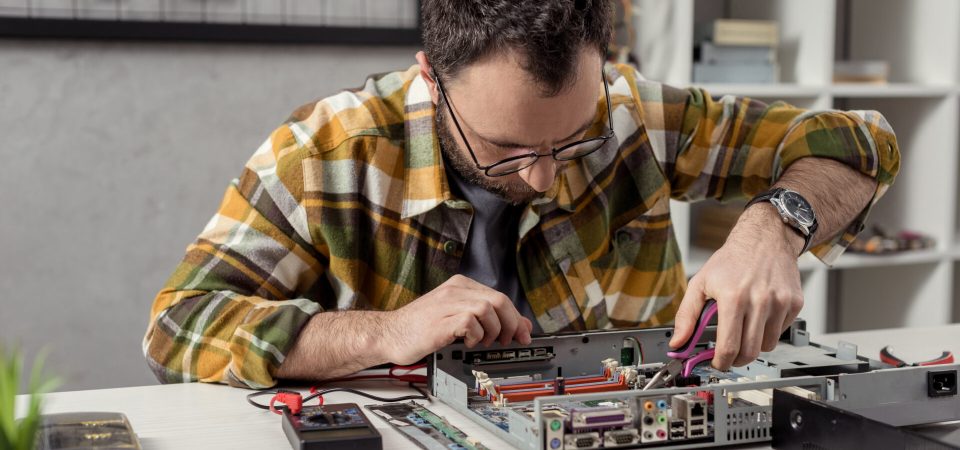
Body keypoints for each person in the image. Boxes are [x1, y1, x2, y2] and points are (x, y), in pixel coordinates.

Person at [143, 0, 899, 389]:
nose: (544, 176)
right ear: (430, 79)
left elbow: (862, 142)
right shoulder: (325, 153)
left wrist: (774, 226)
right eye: (506, 149)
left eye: (570, 140)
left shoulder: (631, 112)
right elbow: (177, 327)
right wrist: (382, 334)